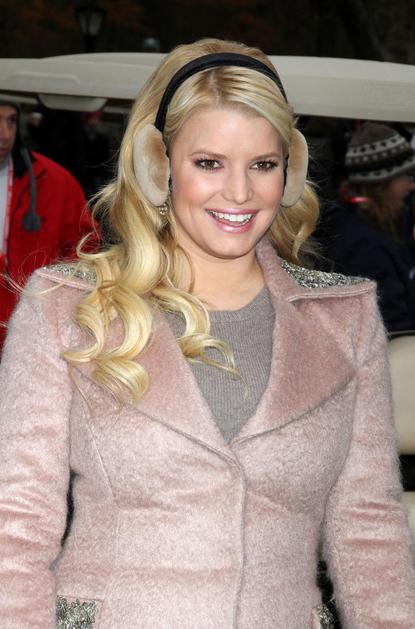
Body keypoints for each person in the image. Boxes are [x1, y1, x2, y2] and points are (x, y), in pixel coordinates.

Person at [0, 39, 414, 629]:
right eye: (210, 163)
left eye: (263, 165)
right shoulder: (67, 307)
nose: (240, 193)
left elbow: (368, 527)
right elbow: (16, 523)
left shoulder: (345, 317)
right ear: (159, 165)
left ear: (291, 171)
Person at [0, 99, 95, 352]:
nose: (5, 134)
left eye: (11, 121)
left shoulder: (54, 182)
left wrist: (60, 307)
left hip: (32, 332)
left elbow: (86, 250)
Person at [324, 122, 415, 332]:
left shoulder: (383, 223)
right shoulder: (365, 245)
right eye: (405, 176)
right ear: (381, 184)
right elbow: (392, 326)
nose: (411, 185)